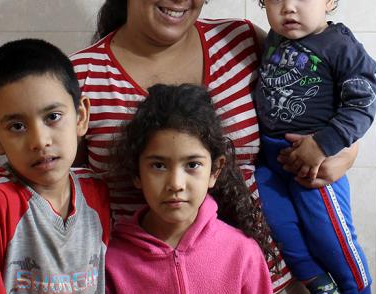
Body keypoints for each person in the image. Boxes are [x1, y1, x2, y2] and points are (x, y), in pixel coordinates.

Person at [69, 0, 359, 291]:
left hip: (266, 276)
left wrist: (344, 153)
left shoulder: (241, 41)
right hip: (140, 280)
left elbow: (337, 95)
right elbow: (60, 187)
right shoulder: (81, 77)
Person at [248, 0, 376, 294]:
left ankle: (357, 289)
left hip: (315, 163)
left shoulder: (339, 45)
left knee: (330, 237)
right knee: (276, 226)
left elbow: (362, 102)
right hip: (270, 161)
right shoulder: (272, 39)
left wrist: (323, 145)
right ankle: (317, 283)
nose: (289, 6)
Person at [0, 39, 110, 294]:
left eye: (53, 117)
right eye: (17, 126)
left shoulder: (96, 192)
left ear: (81, 117)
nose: (39, 141)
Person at [105, 84, 275, 293]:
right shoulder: (112, 261)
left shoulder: (242, 252)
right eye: (158, 166)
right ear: (136, 173)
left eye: (192, 165)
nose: (176, 184)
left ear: (215, 170)